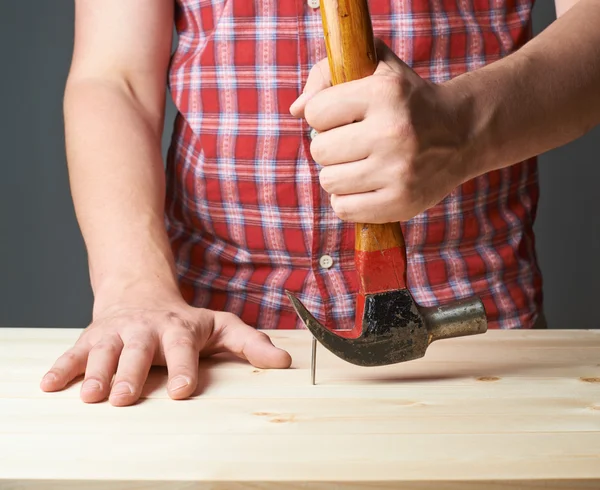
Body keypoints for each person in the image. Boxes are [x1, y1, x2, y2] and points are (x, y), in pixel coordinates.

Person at [41, 0, 600, 406]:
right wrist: (134, 287)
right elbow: (114, 80)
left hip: (484, 357)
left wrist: (461, 128)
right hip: (211, 347)